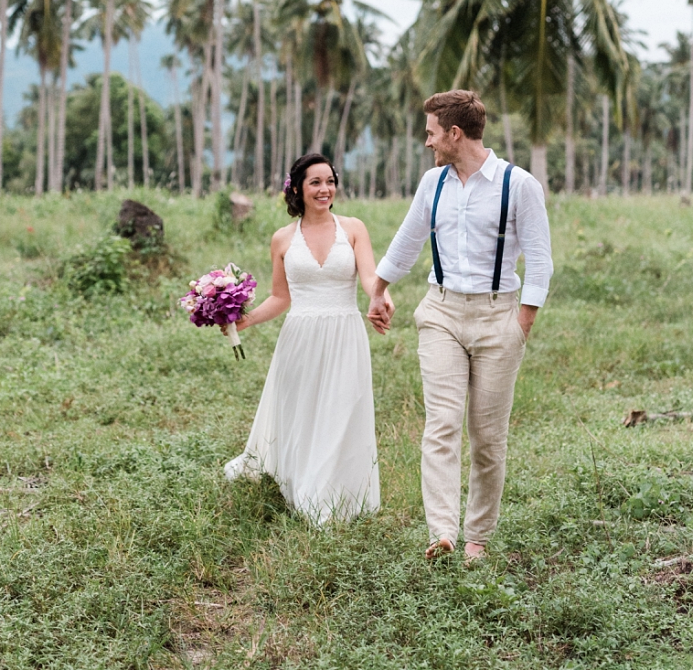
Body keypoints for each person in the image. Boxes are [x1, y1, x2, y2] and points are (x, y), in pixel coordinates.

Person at [367, 90, 553, 561]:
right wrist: (379, 289)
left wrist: (522, 323)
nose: (426, 142)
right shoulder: (433, 184)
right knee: (442, 425)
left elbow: (541, 260)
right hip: (442, 313)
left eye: (431, 133)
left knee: (488, 438)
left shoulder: (520, 184)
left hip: (499, 316)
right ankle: (442, 533)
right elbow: (407, 240)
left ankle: (477, 539)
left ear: (454, 133)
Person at [224, 152, 393, 524]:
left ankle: (335, 494)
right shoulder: (282, 239)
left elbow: (369, 276)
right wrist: (242, 320)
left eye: (330, 181)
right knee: (302, 412)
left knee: (342, 411)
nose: (325, 189)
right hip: (300, 336)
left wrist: (379, 296)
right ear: (298, 188)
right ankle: (303, 486)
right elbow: (281, 297)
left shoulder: (353, 228)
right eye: (315, 182)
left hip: (345, 332)